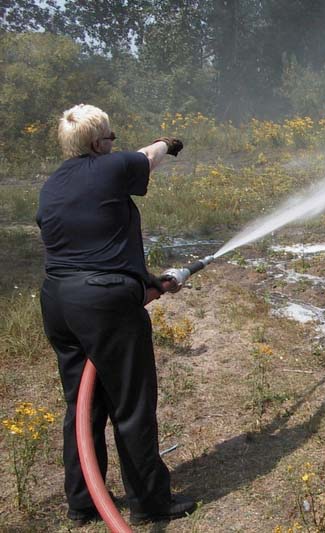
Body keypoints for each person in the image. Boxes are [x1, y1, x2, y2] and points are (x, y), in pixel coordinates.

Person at [36, 104, 197, 525]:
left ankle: (82, 502)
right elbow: (147, 157)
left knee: (82, 406)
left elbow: (96, 239)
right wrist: (169, 142)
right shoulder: (108, 168)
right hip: (104, 302)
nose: (114, 143)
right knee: (132, 404)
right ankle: (149, 503)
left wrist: (145, 281)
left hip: (59, 300)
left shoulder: (53, 184)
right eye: (110, 137)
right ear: (95, 143)